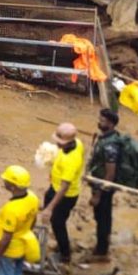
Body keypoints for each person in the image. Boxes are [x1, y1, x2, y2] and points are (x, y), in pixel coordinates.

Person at [0, 166, 40, 275]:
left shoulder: (11, 209)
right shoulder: (32, 198)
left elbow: (6, 237)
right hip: (22, 245)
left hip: (8, 251)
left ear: (13, 186)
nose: (4, 181)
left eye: (6, 180)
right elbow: (33, 218)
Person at [40, 122, 84, 264]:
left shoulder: (71, 160)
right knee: (51, 212)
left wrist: (49, 208)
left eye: (60, 143)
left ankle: (65, 254)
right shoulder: (77, 143)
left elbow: (64, 188)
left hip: (66, 196)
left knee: (58, 223)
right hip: (55, 187)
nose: (58, 144)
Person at [85, 108, 121, 262]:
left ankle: (101, 251)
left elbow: (110, 173)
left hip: (104, 187)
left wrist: (98, 195)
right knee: (101, 217)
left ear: (111, 124)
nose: (99, 122)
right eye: (99, 119)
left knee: (103, 218)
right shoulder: (106, 138)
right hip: (98, 184)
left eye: (103, 121)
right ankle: (102, 246)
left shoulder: (110, 145)